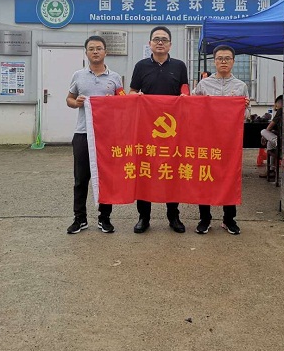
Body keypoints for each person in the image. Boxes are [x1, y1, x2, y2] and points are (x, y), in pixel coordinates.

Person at [129, 25, 189, 234]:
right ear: (150, 44)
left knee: (171, 171)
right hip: (147, 129)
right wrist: (136, 96)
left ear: (170, 44)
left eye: (164, 39)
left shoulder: (179, 66)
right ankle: (143, 217)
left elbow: (184, 90)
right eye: (156, 39)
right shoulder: (141, 66)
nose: (160, 42)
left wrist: (185, 96)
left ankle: (173, 216)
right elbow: (133, 91)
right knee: (145, 170)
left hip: (173, 130)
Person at [66, 36, 123, 234]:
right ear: (86, 53)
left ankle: (104, 218)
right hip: (83, 133)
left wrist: (112, 102)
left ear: (106, 52)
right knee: (81, 179)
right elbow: (69, 99)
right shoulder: (78, 76)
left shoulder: (115, 77)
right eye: (91, 49)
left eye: (99, 48)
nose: (95, 51)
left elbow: (123, 102)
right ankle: (79, 219)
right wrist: (77, 103)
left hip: (107, 135)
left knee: (107, 177)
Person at [192, 45, 249, 235]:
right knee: (205, 177)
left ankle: (229, 219)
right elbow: (192, 108)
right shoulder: (204, 85)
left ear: (233, 61)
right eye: (219, 58)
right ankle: (204, 219)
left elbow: (246, 116)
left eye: (227, 58)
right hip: (207, 140)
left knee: (229, 177)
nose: (223, 62)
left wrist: (244, 107)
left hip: (229, 142)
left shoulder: (240, 86)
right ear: (214, 61)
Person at [260, 95, 283, 178]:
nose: (275, 106)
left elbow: (270, 126)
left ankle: (277, 143)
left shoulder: (281, 110)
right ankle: (271, 171)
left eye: (276, 104)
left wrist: (264, 136)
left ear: (279, 103)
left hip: (281, 141)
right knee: (270, 143)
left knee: (263, 131)